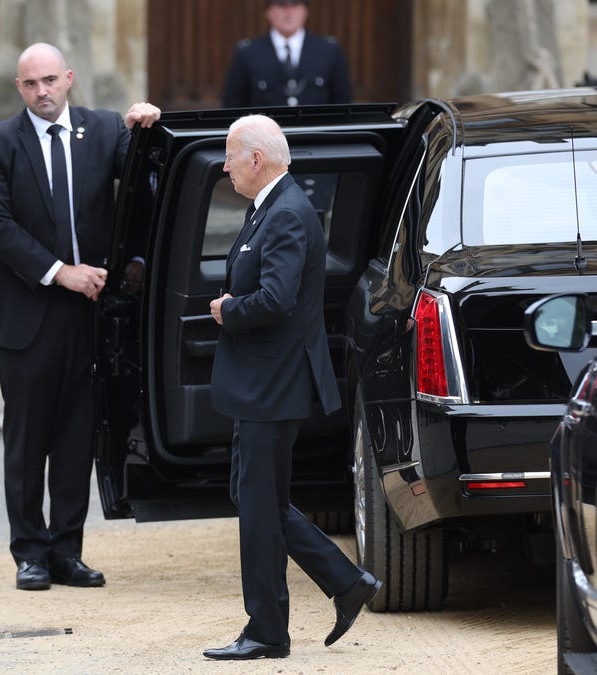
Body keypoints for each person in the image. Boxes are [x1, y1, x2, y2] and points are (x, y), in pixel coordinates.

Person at [0, 42, 160, 591]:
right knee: (28, 439)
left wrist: (148, 128)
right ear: (19, 88)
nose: (42, 92)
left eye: (50, 80)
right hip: (30, 310)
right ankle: (29, 552)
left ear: (70, 78)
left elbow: (150, 189)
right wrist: (61, 271)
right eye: (31, 84)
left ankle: (66, 550)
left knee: (80, 436)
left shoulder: (105, 131)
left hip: (94, 313)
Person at [202, 114, 378, 660]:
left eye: (231, 156)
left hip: (274, 386)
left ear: (256, 159)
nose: (225, 165)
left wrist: (229, 310)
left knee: (259, 507)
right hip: (263, 384)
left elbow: (276, 299)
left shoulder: (286, 214)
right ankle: (346, 582)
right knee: (256, 500)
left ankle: (267, 631)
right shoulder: (269, 208)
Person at [221, 0, 352, 109]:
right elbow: (233, 104)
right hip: (264, 138)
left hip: (316, 135)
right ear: (268, 12)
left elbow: (343, 102)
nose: (289, 13)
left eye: (295, 6)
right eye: (281, 6)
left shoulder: (328, 50)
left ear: (305, 11)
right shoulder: (247, 52)